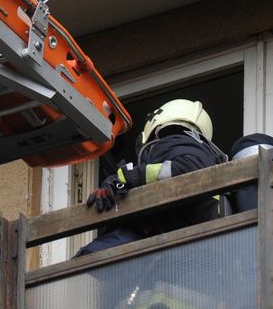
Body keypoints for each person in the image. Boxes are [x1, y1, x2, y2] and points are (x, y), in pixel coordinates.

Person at [79, 99, 229, 253]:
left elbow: (187, 169)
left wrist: (131, 177)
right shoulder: (200, 152)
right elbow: (131, 180)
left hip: (183, 248)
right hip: (189, 249)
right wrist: (115, 185)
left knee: (90, 257)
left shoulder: (175, 142)